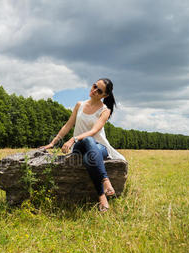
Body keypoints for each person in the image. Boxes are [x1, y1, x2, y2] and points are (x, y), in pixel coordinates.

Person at [38, 78, 126, 212]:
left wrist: (73, 138)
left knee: (88, 151)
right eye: (94, 86)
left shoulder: (105, 110)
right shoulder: (80, 104)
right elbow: (68, 125)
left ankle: (102, 196)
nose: (94, 90)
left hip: (99, 147)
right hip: (79, 148)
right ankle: (105, 181)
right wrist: (52, 143)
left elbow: (93, 131)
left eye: (99, 90)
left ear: (105, 96)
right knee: (86, 142)